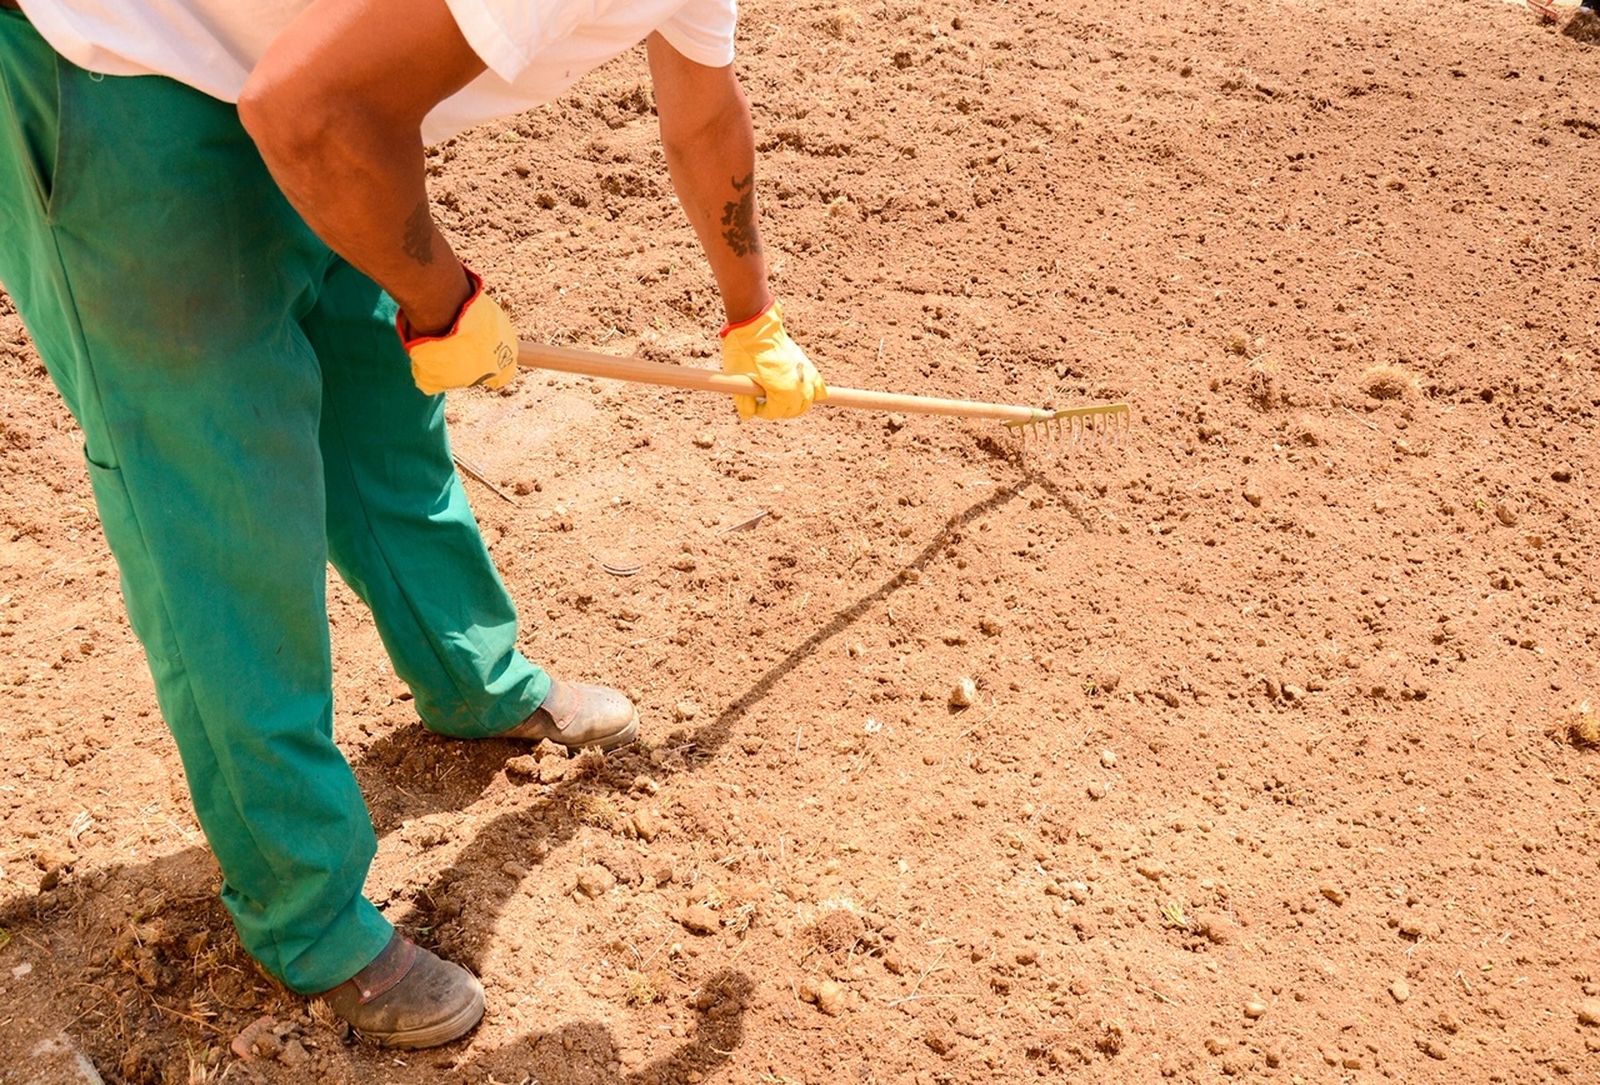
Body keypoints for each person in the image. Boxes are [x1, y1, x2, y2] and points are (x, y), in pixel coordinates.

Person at [0, 0, 824, 1050]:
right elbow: (306, 109)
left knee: (376, 399)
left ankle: (469, 670)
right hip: (119, 71)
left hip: (294, 70)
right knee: (221, 506)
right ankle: (304, 909)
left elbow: (703, 113)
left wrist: (753, 318)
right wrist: (446, 297)